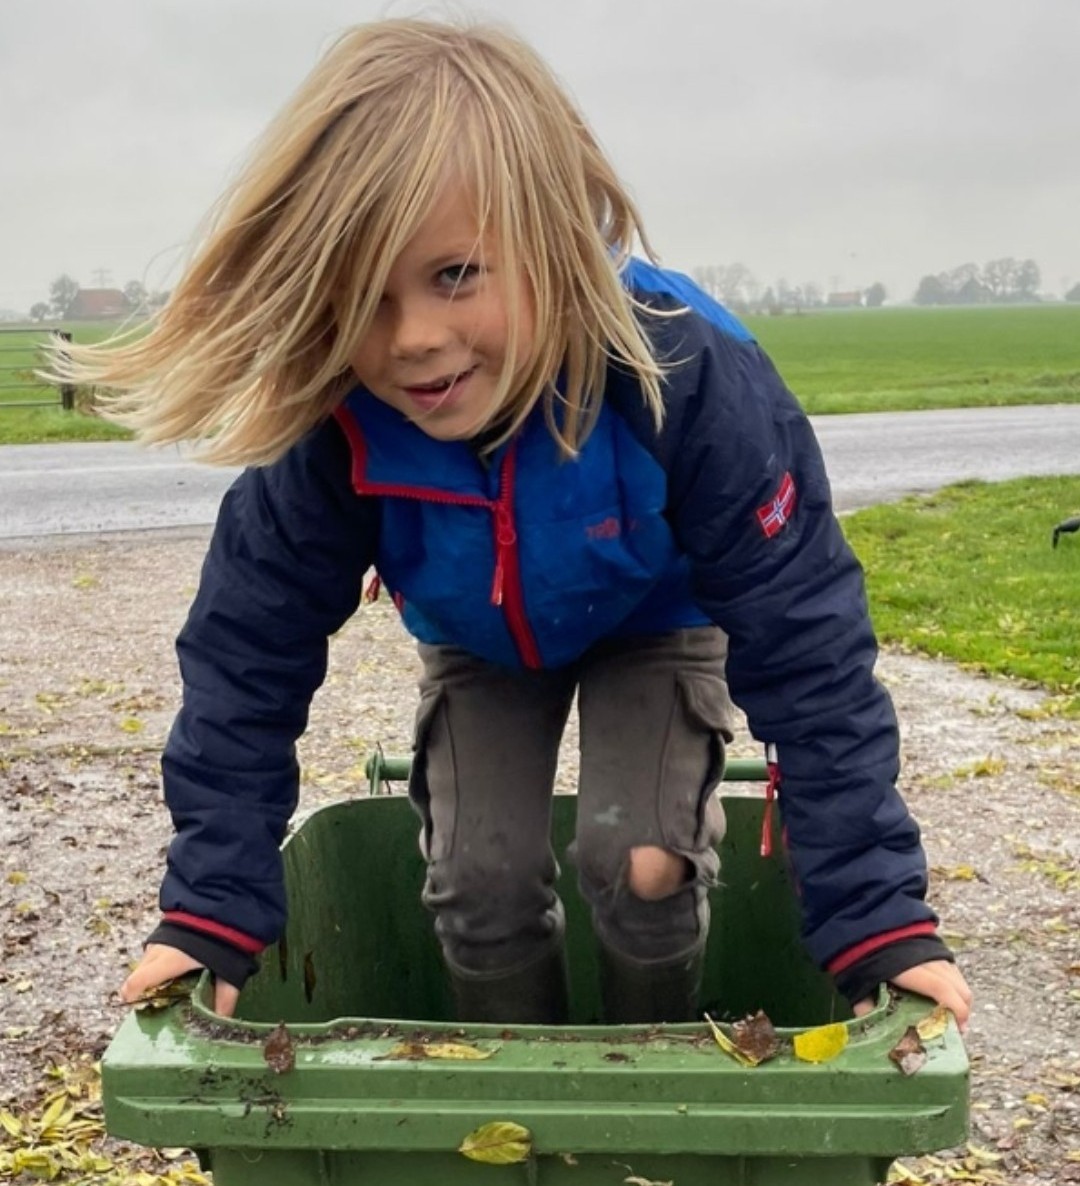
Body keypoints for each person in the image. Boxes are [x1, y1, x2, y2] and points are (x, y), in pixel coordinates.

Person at [55, 18, 971, 1029]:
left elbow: (806, 642)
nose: (410, 338)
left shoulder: (682, 372)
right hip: (477, 637)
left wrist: (875, 915)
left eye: (455, 275)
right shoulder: (338, 422)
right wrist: (209, 911)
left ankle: (644, 1070)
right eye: (365, 297)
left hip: (658, 619)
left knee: (641, 858)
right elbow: (246, 654)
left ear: (553, 235)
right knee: (476, 879)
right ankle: (512, 1099)